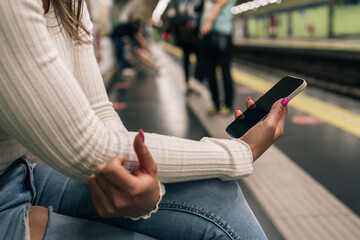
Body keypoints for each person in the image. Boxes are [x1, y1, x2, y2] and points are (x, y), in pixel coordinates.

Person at [0, 0, 289, 239]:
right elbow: (87, 147)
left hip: (22, 172)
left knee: (220, 195)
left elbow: (99, 109)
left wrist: (144, 182)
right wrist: (240, 151)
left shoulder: (71, 4)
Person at [200, 0, 236, 116]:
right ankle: (215, 103)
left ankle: (227, 105)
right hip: (209, 34)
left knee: (225, 71)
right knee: (210, 72)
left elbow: (220, 3)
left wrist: (208, 21)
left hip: (223, 34)